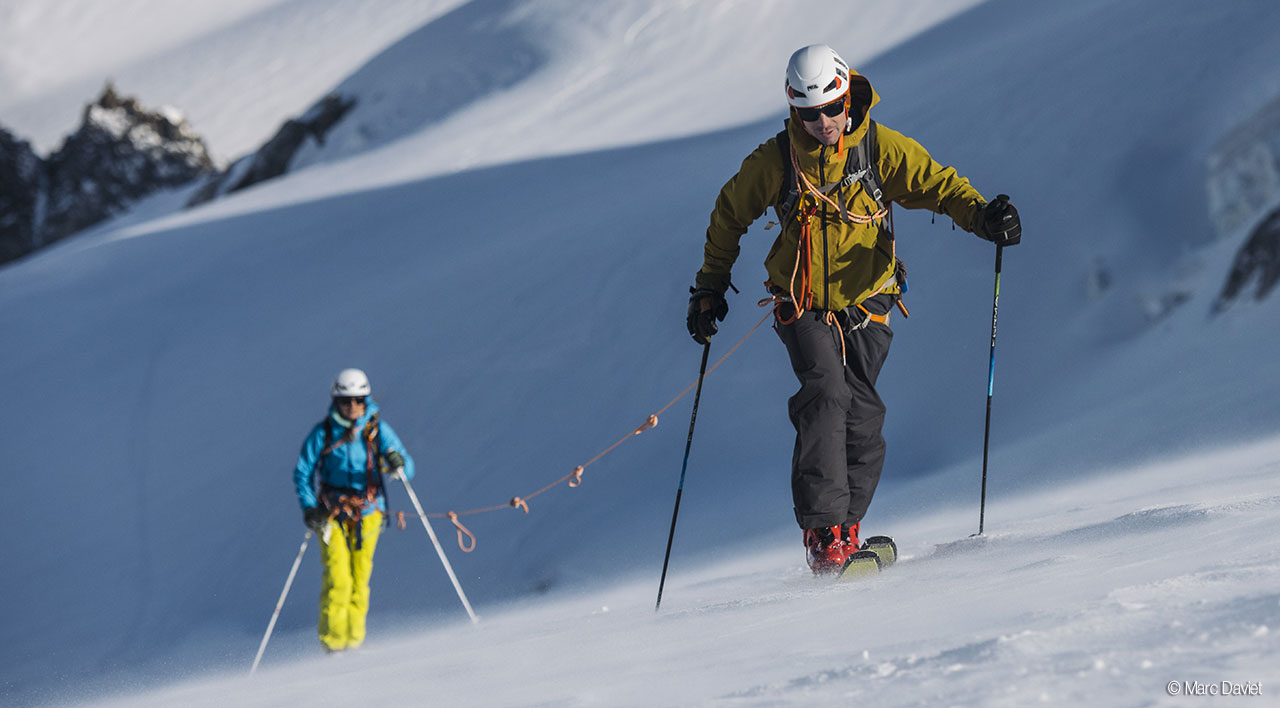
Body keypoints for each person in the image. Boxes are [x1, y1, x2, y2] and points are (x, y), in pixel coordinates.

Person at [687, 44, 1021, 575]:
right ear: (793, 109)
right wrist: (709, 285)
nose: (822, 122)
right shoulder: (775, 161)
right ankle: (824, 537)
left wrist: (983, 217)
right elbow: (729, 215)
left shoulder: (876, 147)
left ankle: (847, 532)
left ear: (848, 97)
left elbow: (934, 183)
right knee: (826, 391)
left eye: (830, 108)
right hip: (802, 303)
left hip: (869, 303)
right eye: (808, 113)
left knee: (864, 417)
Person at [294, 368, 415, 651]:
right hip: (330, 516)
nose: (352, 407)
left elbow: (407, 466)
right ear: (336, 401)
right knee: (338, 578)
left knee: (360, 579)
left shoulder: (377, 430)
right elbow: (302, 473)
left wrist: (397, 463)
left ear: (366, 399)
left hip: (369, 511)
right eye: (346, 401)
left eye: (358, 400)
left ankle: (354, 647)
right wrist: (309, 508)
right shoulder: (322, 433)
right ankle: (334, 647)